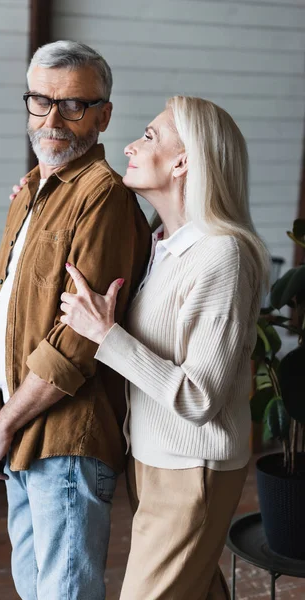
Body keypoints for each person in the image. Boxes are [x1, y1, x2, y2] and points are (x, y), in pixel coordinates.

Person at [59, 95, 270, 599]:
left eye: (149, 136)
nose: (130, 145)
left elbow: (201, 398)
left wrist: (108, 338)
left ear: (184, 161)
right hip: (155, 459)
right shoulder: (163, 243)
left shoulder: (222, 255)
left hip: (191, 466)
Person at [0, 40, 151, 600]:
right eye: (41, 100)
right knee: (34, 588)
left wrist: (0, 426)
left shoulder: (104, 198)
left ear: (103, 115)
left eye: (72, 104)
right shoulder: (27, 195)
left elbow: (76, 341)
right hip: (19, 428)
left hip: (65, 441)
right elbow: (2, 321)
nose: (53, 118)